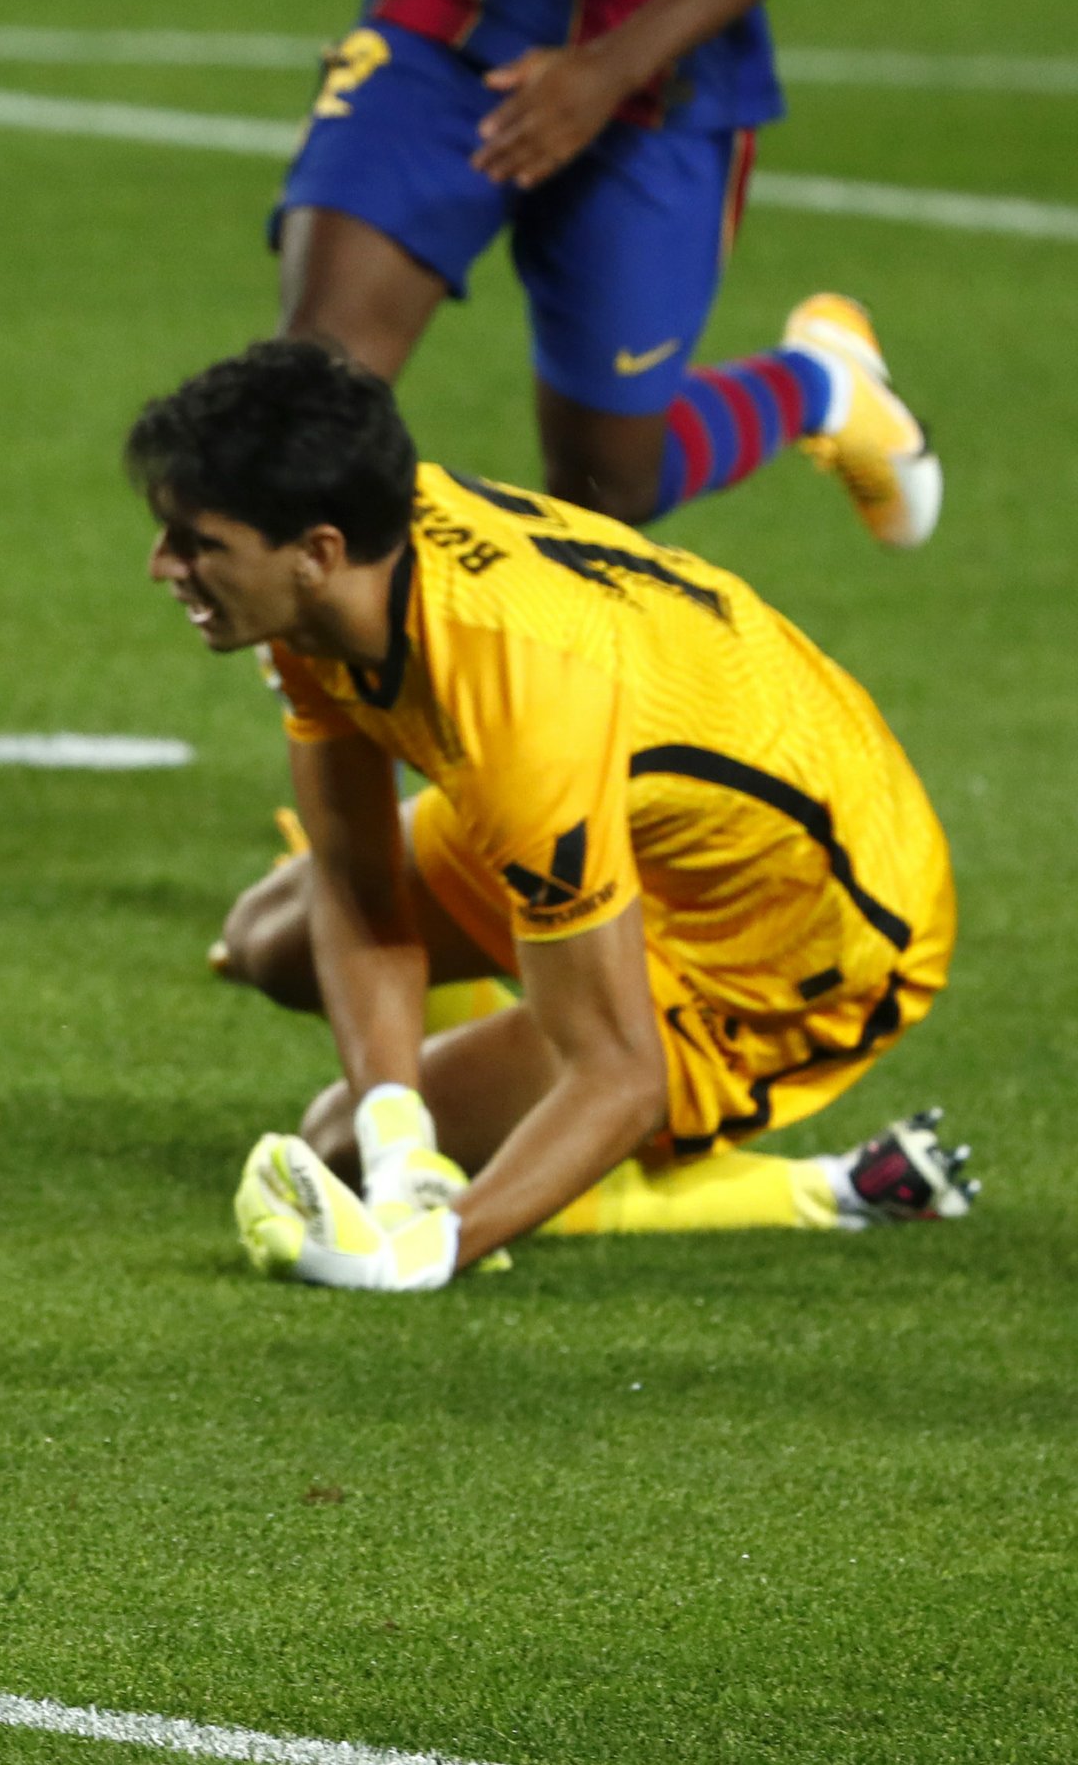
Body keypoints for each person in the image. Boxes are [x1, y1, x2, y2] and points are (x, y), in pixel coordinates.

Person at [128, 341, 968, 1291]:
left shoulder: (526, 723)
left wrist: (422, 1249)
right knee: (270, 942)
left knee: (341, 1142)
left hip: (804, 937)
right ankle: (511, 1085)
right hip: (657, 802)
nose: (162, 565)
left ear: (317, 554)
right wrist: (402, 1143)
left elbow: (619, 1076)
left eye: (197, 543)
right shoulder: (342, 576)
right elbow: (357, 888)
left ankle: (823, 1189)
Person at [19, 0, 941, 545]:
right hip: (445, 28)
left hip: (659, 79)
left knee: (606, 486)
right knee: (313, 395)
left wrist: (606, 71)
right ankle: (344, 677)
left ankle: (818, 386)